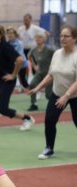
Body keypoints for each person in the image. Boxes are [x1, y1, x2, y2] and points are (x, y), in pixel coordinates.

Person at [28, 25, 77, 160]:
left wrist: (66, 96)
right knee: (49, 120)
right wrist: (38, 87)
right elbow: (51, 74)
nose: (63, 38)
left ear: (74, 39)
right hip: (58, 93)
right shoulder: (57, 54)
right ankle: (49, 148)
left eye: (66, 36)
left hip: (74, 95)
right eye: (61, 36)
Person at [27, 32, 54, 111]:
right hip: (39, 73)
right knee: (32, 84)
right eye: (36, 37)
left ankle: (53, 106)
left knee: (48, 95)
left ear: (44, 39)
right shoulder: (34, 50)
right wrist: (34, 66)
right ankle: (33, 104)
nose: (37, 39)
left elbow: (57, 57)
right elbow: (29, 56)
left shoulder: (49, 50)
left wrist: (52, 67)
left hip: (49, 74)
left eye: (40, 37)